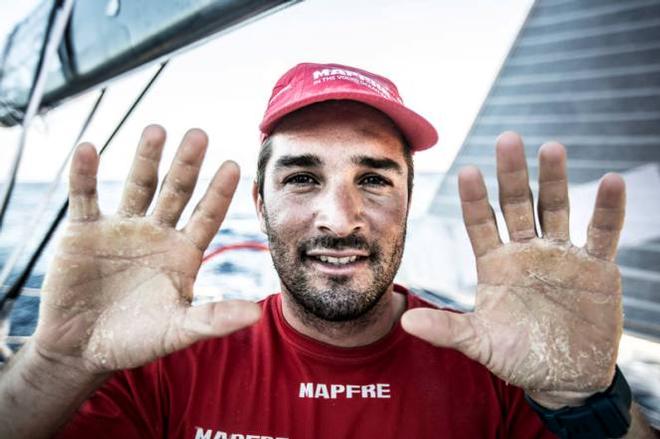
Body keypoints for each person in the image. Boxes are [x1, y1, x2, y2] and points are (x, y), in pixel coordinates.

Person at [0, 62, 654, 438]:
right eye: (303, 177)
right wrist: (60, 359)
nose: (339, 218)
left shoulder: (508, 364)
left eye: (372, 178)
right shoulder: (164, 359)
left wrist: (580, 394)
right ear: (259, 202)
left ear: (408, 200)